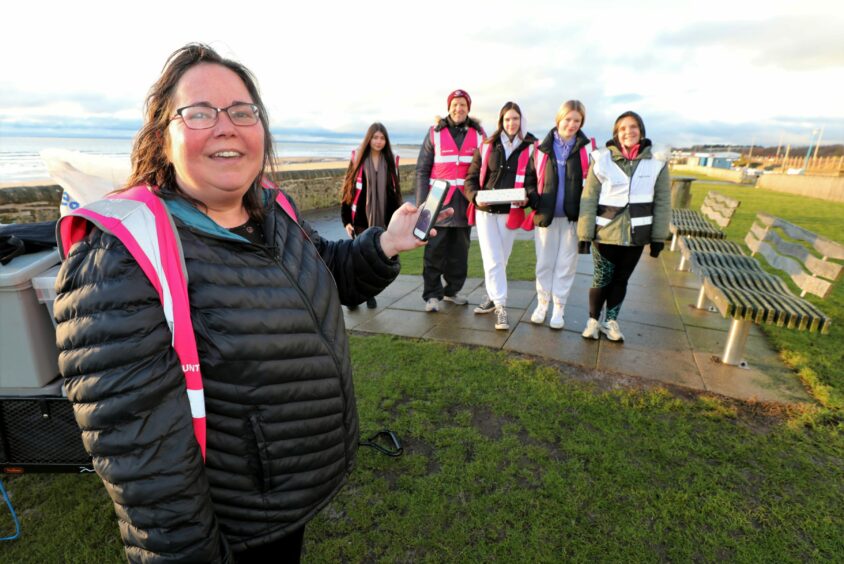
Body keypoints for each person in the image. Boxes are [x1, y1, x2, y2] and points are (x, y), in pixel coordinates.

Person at [53, 43, 440, 563]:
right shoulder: (120, 257)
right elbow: (147, 461)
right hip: (233, 524)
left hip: (284, 500)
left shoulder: (272, 208)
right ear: (162, 138)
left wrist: (386, 243)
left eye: (242, 111)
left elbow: (326, 271)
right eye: (199, 113)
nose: (226, 126)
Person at [577, 110, 670, 342]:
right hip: (605, 233)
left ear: (641, 131)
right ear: (616, 134)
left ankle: (611, 321)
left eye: (633, 126)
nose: (628, 131)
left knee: (621, 280)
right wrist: (584, 234)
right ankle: (593, 321)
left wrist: (658, 237)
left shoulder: (657, 162)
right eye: (623, 128)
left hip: (636, 235)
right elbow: (589, 199)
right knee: (601, 278)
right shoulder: (601, 159)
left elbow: (663, 202)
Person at [464, 101, 536, 330]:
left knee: (501, 259)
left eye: (515, 118)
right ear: (501, 121)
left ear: (521, 120)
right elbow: (471, 179)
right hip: (485, 212)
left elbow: (534, 182)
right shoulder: (487, 146)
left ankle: (491, 297)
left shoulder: (531, 147)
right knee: (492, 258)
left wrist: (528, 198)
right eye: (507, 119)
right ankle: (501, 307)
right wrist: (475, 196)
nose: (511, 123)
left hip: (510, 212)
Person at [524, 100, 594, 329]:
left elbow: (596, 183)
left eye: (577, 120)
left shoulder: (587, 149)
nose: (572, 124)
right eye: (568, 119)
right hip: (546, 218)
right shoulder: (540, 148)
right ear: (558, 119)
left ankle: (559, 309)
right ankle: (542, 304)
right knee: (544, 264)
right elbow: (530, 182)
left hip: (573, 219)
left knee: (566, 265)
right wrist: (537, 201)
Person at [415, 89, 485, 312]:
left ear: (468, 108)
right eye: (455, 104)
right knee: (434, 251)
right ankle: (432, 295)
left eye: (463, 104)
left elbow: (485, 168)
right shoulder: (435, 132)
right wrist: (421, 203)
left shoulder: (478, 134)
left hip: (465, 204)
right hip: (438, 204)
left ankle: (452, 291)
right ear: (449, 107)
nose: (459, 108)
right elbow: (422, 170)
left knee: (459, 254)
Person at [340, 122, 403, 308]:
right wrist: (346, 221)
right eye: (375, 137)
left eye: (382, 138)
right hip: (359, 221)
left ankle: (368, 294)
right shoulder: (357, 159)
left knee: (372, 262)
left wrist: (397, 219)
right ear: (369, 139)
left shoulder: (391, 161)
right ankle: (352, 296)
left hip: (382, 221)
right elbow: (348, 190)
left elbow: (395, 194)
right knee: (356, 261)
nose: (378, 141)